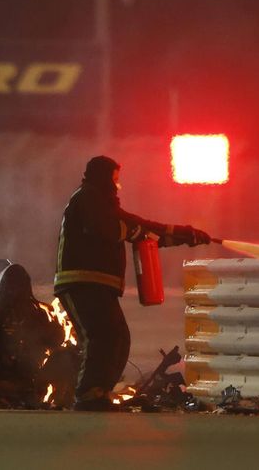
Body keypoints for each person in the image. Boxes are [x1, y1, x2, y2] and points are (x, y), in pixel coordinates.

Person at [54, 155, 210, 411]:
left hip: (99, 285)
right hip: (80, 283)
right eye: (115, 181)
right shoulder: (86, 198)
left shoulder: (102, 203)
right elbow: (107, 228)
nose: (117, 187)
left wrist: (184, 234)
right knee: (100, 336)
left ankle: (100, 392)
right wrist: (137, 232)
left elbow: (139, 226)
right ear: (103, 179)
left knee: (118, 337)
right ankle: (88, 395)